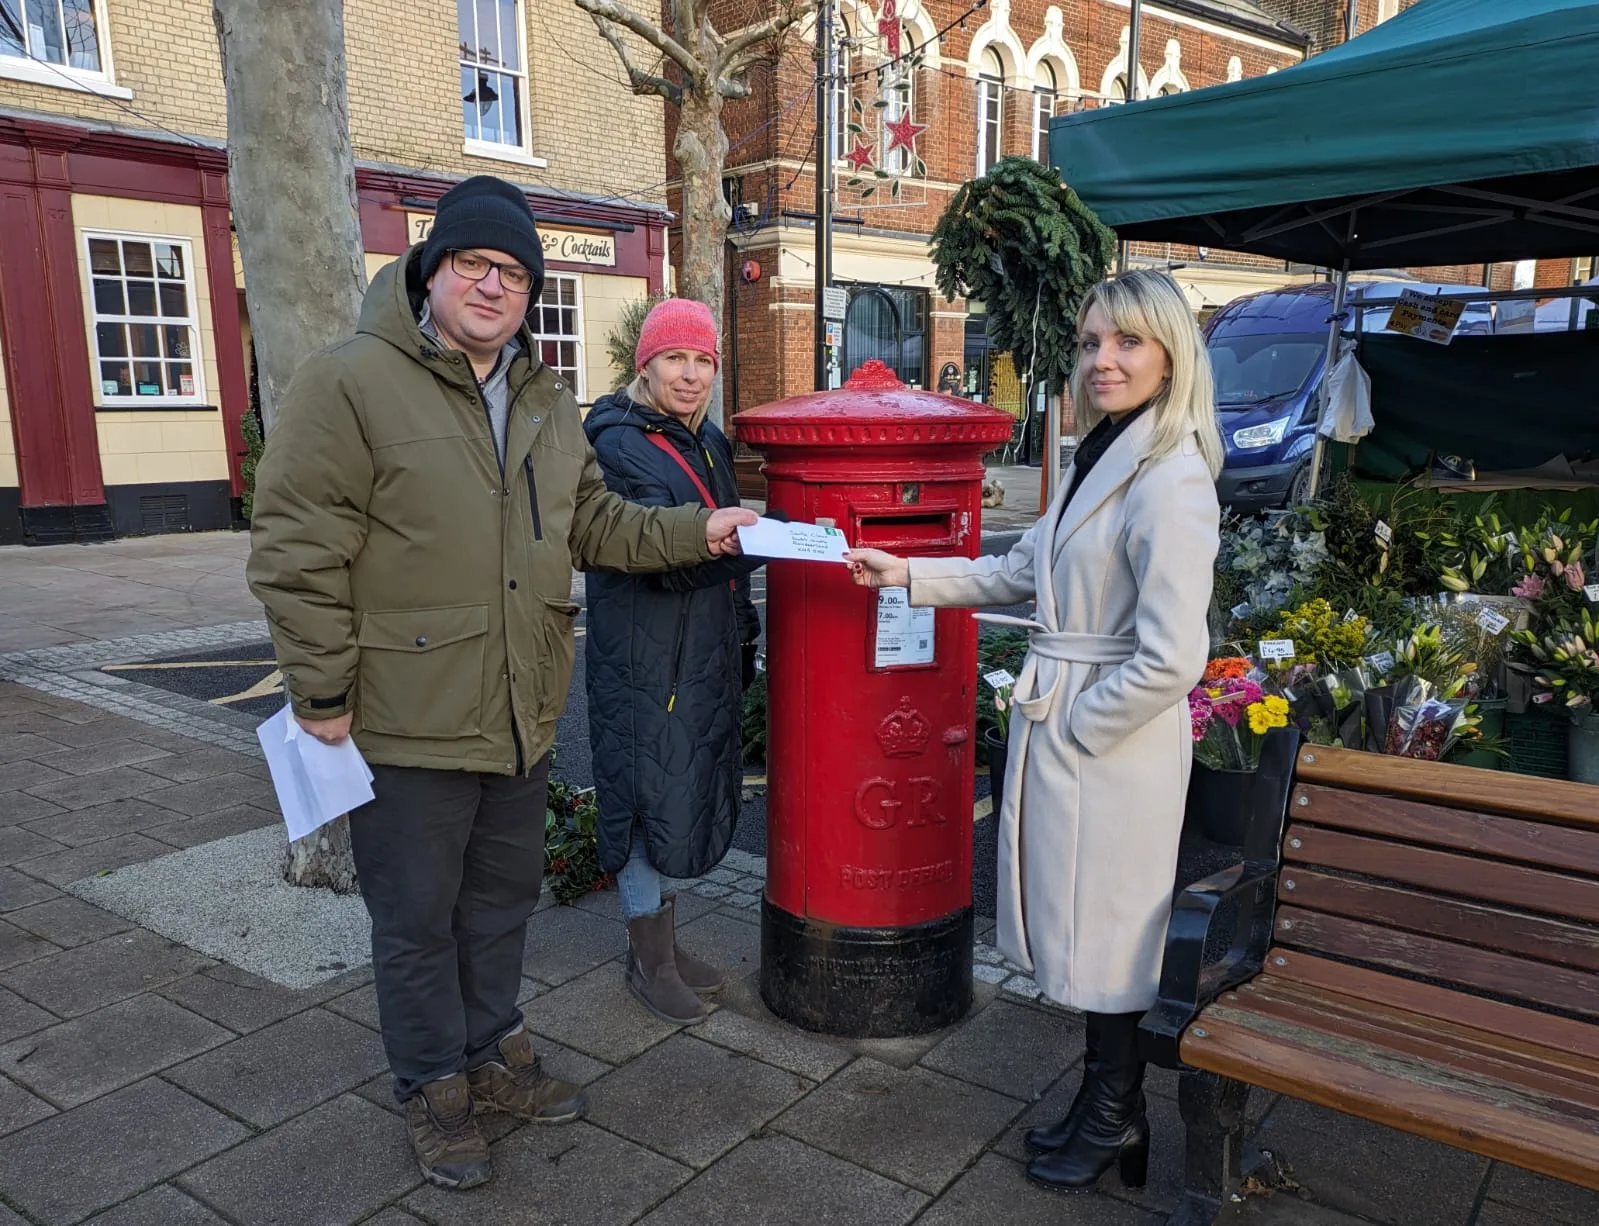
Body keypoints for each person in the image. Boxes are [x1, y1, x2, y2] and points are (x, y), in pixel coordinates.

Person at [247, 174, 757, 1192]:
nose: (494, 284)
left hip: (520, 707)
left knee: (497, 904)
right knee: (416, 914)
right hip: (402, 714)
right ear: (431, 272)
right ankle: (435, 1084)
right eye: (475, 264)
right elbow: (297, 550)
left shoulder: (542, 397)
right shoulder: (347, 382)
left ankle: (491, 1049)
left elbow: (595, 525)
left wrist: (700, 526)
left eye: (515, 272)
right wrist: (320, 696)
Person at [846, 269, 1222, 1196]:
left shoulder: (1169, 477)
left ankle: (1113, 1111)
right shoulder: (1102, 452)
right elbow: (1022, 566)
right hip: (1073, 709)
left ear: (1170, 352)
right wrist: (907, 573)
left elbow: (1175, 656)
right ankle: (1107, 1103)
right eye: (1092, 342)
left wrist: (1084, 729)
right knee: (1089, 929)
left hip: (1112, 733)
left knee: (1116, 933)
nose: (1103, 359)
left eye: (1127, 342)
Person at [583, 300, 763, 1025]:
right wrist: (747, 545)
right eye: (675, 360)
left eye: (702, 362)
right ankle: (647, 957)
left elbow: (724, 553)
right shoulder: (619, 444)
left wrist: (744, 628)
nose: (690, 375)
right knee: (641, 796)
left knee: (678, 790)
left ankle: (662, 940)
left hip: (696, 651)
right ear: (645, 365)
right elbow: (661, 554)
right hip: (645, 657)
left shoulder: (705, 439)